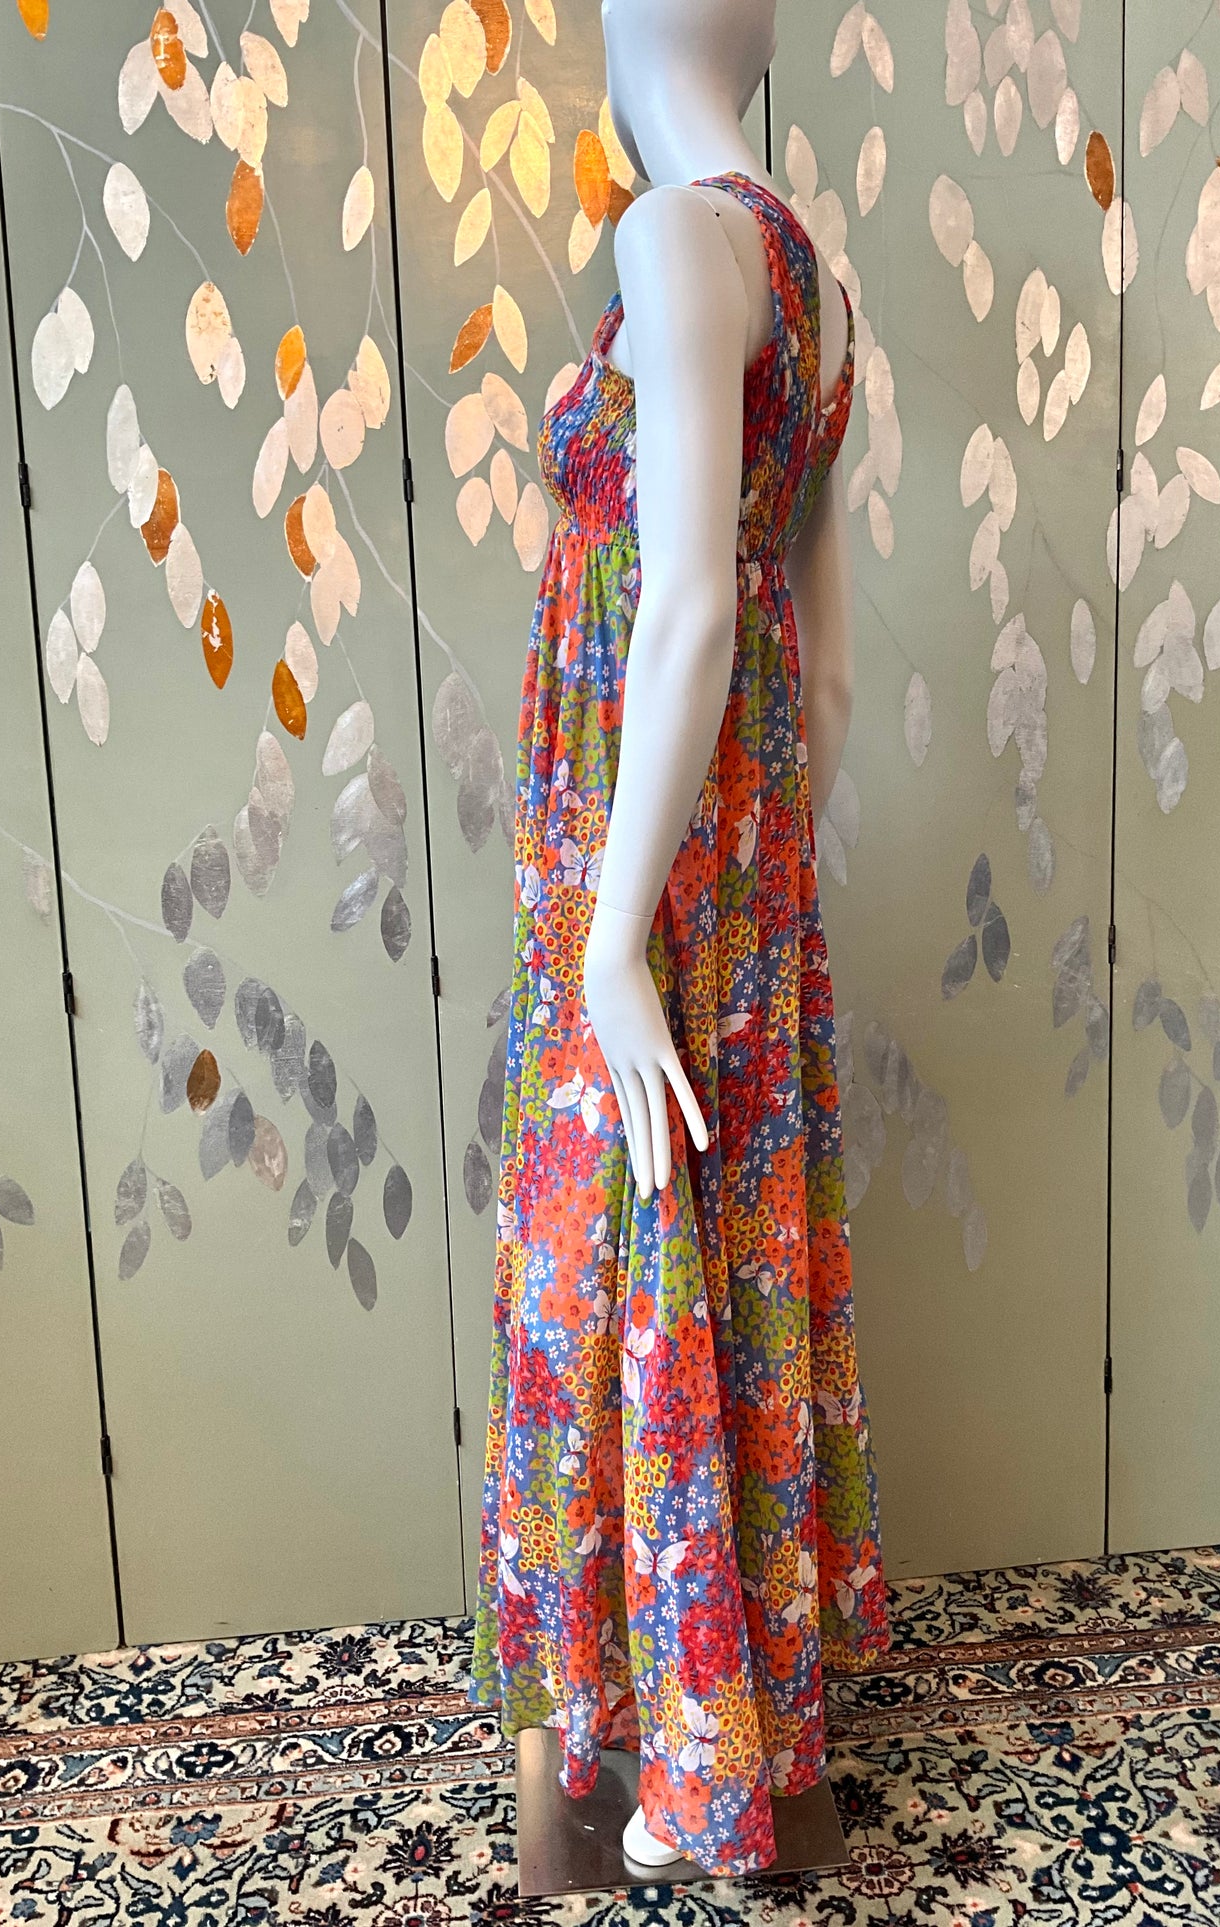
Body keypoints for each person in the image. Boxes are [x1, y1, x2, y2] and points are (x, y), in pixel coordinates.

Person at [469, 0, 889, 1879]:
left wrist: (621, 935)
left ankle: (637, 1764)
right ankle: (727, 1743)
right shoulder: (820, 279)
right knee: (709, 1251)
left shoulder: (669, 239)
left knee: (614, 1256)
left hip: (643, 873)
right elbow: (830, 646)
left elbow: (694, 616)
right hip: (742, 868)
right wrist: (762, 896)